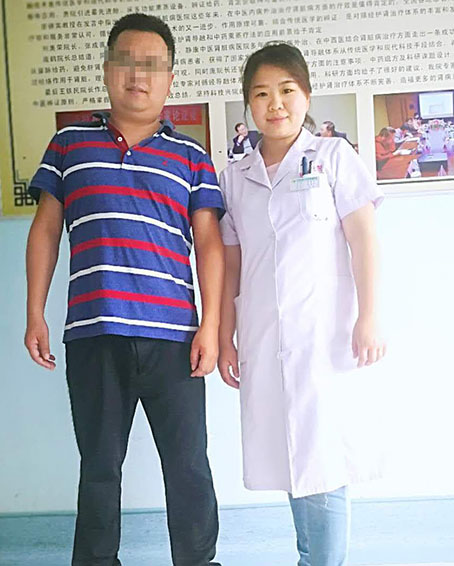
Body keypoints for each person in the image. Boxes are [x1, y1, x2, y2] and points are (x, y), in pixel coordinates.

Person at [24, 13, 224, 566]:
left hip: (175, 339)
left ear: (170, 80)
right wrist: (35, 312)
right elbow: (45, 229)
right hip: (96, 334)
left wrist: (210, 326)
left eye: (152, 65)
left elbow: (209, 245)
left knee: (188, 466)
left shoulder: (192, 157)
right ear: (108, 69)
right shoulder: (69, 145)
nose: (139, 75)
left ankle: (198, 560)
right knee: (99, 467)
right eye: (127, 62)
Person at [218, 42, 385, 566]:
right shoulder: (236, 176)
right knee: (293, 457)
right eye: (261, 94)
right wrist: (224, 335)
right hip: (264, 335)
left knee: (323, 460)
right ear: (249, 104)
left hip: (324, 334)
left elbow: (364, 239)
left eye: (287, 90)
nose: (275, 104)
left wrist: (370, 315)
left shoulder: (334, 158)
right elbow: (231, 262)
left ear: (306, 95)